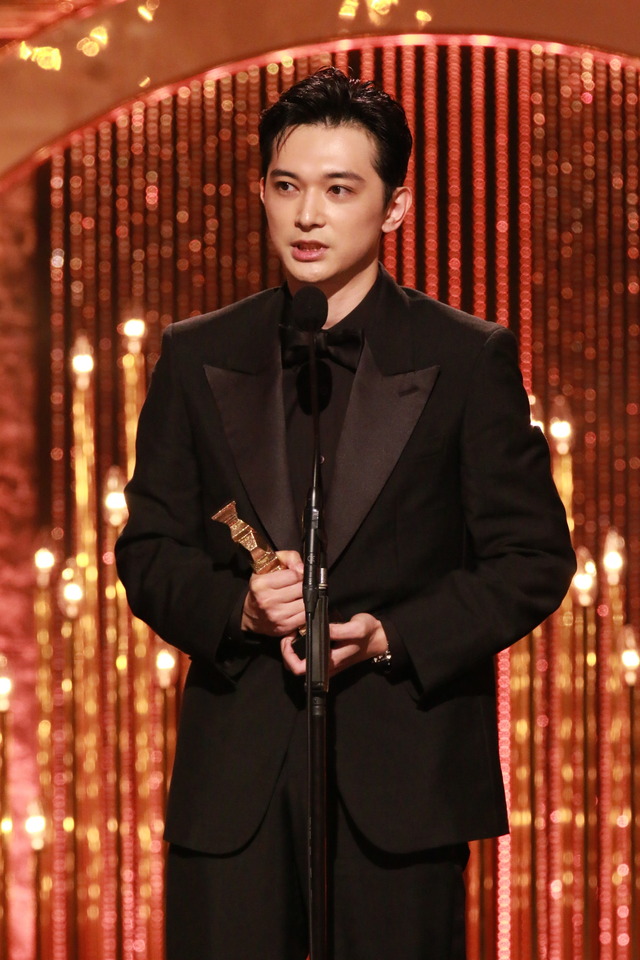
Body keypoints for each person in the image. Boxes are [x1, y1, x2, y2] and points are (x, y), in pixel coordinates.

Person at [115, 67, 576, 960]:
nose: (307, 216)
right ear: (261, 192)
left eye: (338, 190)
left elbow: (532, 558)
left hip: (402, 780)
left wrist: (391, 635)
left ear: (393, 208)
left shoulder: (466, 357)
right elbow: (149, 548)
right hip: (237, 783)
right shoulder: (197, 353)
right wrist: (239, 610)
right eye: (287, 186)